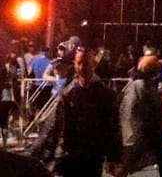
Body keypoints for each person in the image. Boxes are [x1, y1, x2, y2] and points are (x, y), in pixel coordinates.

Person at [31, 47, 122, 177]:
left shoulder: (105, 95)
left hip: (92, 156)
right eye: (79, 63)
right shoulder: (68, 93)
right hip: (68, 154)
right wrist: (43, 151)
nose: (82, 67)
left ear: (93, 64)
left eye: (86, 63)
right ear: (74, 64)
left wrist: (115, 157)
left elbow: (113, 127)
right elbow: (55, 124)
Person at [113, 54, 162, 177]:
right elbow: (155, 109)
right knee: (125, 168)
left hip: (127, 132)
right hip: (135, 134)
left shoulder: (133, 83)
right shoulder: (143, 85)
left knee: (124, 168)